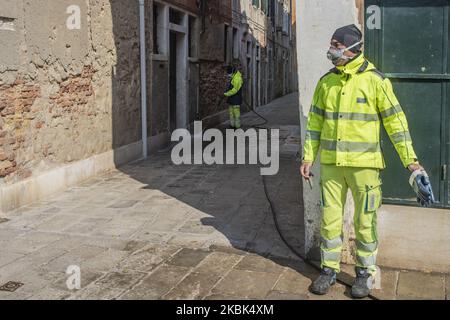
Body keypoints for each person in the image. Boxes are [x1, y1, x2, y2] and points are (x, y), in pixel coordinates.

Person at [300, 24, 425, 298]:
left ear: (352, 48)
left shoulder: (375, 81)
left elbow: (396, 124)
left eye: (336, 45)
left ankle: (365, 273)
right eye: (331, 44)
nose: (332, 50)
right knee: (330, 220)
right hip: (332, 165)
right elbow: (315, 124)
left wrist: (411, 161)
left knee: (365, 221)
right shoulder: (326, 82)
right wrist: (309, 156)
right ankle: (329, 269)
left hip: (365, 166)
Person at [224, 61, 244, 129]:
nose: (228, 75)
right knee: (231, 112)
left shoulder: (237, 78)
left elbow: (235, 89)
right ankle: (232, 125)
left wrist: (227, 94)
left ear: (232, 72)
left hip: (236, 98)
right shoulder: (233, 77)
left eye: (229, 73)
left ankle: (237, 126)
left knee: (236, 113)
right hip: (231, 98)